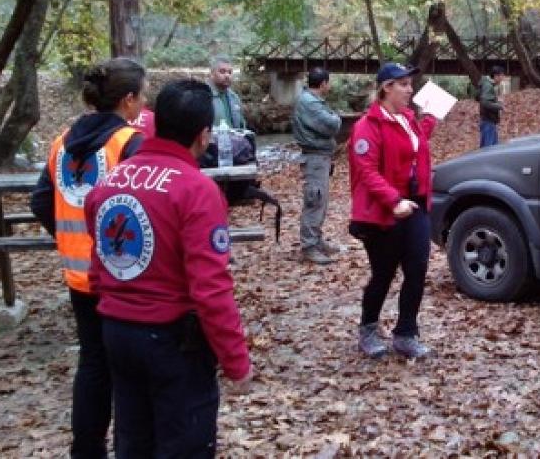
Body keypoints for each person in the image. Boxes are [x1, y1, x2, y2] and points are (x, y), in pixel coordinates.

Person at [84, 79, 251, 456]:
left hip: (116, 332)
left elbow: (99, 265)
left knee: (134, 440)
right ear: (204, 135)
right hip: (173, 341)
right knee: (184, 444)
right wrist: (235, 360)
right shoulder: (195, 190)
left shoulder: (110, 181)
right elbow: (210, 287)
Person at [29, 57, 147, 459]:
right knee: (130, 368)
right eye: (141, 96)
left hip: (78, 274)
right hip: (122, 275)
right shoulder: (128, 144)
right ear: (128, 100)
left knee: (93, 363)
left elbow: (42, 200)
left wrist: (67, 237)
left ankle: (87, 450)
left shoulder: (62, 141)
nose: (144, 104)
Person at [348, 63, 439, 359]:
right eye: (404, 84)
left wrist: (430, 120)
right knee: (383, 274)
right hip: (384, 212)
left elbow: (414, 147)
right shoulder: (368, 125)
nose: (410, 90)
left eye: (410, 84)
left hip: (415, 205)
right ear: (387, 87)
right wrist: (393, 200)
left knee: (417, 270)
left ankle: (406, 333)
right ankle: (368, 329)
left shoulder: (407, 119)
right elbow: (366, 170)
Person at [292, 67, 342, 264]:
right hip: (314, 157)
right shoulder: (310, 103)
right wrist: (337, 118)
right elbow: (331, 125)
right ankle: (309, 246)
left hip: (319, 157)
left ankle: (316, 240)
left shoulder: (310, 101)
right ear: (323, 84)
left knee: (320, 200)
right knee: (315, 199)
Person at [208, 55, 246, 129]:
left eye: (230, 72)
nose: (227, 75)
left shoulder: (234, 98)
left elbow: (242, 125)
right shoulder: (204, 96)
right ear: (212, 74)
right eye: (222, 71)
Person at [478, 65, 505, 147]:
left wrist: (496, 101)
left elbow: (483, 98)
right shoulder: (488, 86)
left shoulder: (488, 84)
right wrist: (499, 106)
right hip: (488, 121)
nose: (502, 78)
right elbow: (485, 102)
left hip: (489, 121)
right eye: (502, 75)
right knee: (489, 150)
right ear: (496, 76)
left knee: (492, 148)